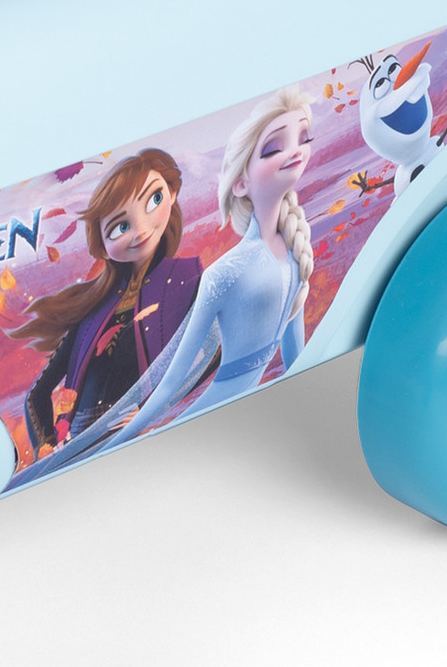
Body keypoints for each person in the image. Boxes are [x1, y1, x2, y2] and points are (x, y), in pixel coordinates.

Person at [42, 88, 316, 473]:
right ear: (240, 182)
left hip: (246, 419)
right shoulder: (221, 273)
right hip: (191, 424)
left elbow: (294, 360)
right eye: (273, 149)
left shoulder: (292, 250)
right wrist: (105, 442)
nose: (295, 153)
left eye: (304, 138)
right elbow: (171, 381)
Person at [11, 149, 202, 460]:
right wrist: (46, 447)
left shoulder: (186, 279)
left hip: (139, 428)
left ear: (172, 193)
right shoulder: (91, 311)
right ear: (102, 245)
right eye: (120, 227)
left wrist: (155, 408)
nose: (140, 230)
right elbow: (37, 395)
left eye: (153, 200)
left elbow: (212, 351)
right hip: (79, 439)